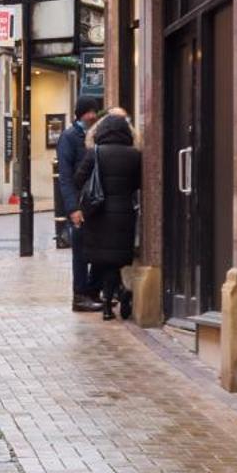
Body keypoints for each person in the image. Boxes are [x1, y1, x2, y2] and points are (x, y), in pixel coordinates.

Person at [72, 109, 143, 320]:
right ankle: (118, 295)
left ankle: (107, 305)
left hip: (99, 214)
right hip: (123, 214)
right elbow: (139, 184)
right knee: (115, 260)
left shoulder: (95, 152)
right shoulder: (135, 155)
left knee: (103, 260)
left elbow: (78, 179)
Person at [56, 101, 101, 311]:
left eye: (94, 111)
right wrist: (73, 208)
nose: (92, 115)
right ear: (80, 114)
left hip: (96, 201)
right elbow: (65, 178)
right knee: (81, 251)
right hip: (80, 203)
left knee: (98, 248)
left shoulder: (98, 133)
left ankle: (93, 291)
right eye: (88, 112)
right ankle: (80, 296)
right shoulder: (69, 137)